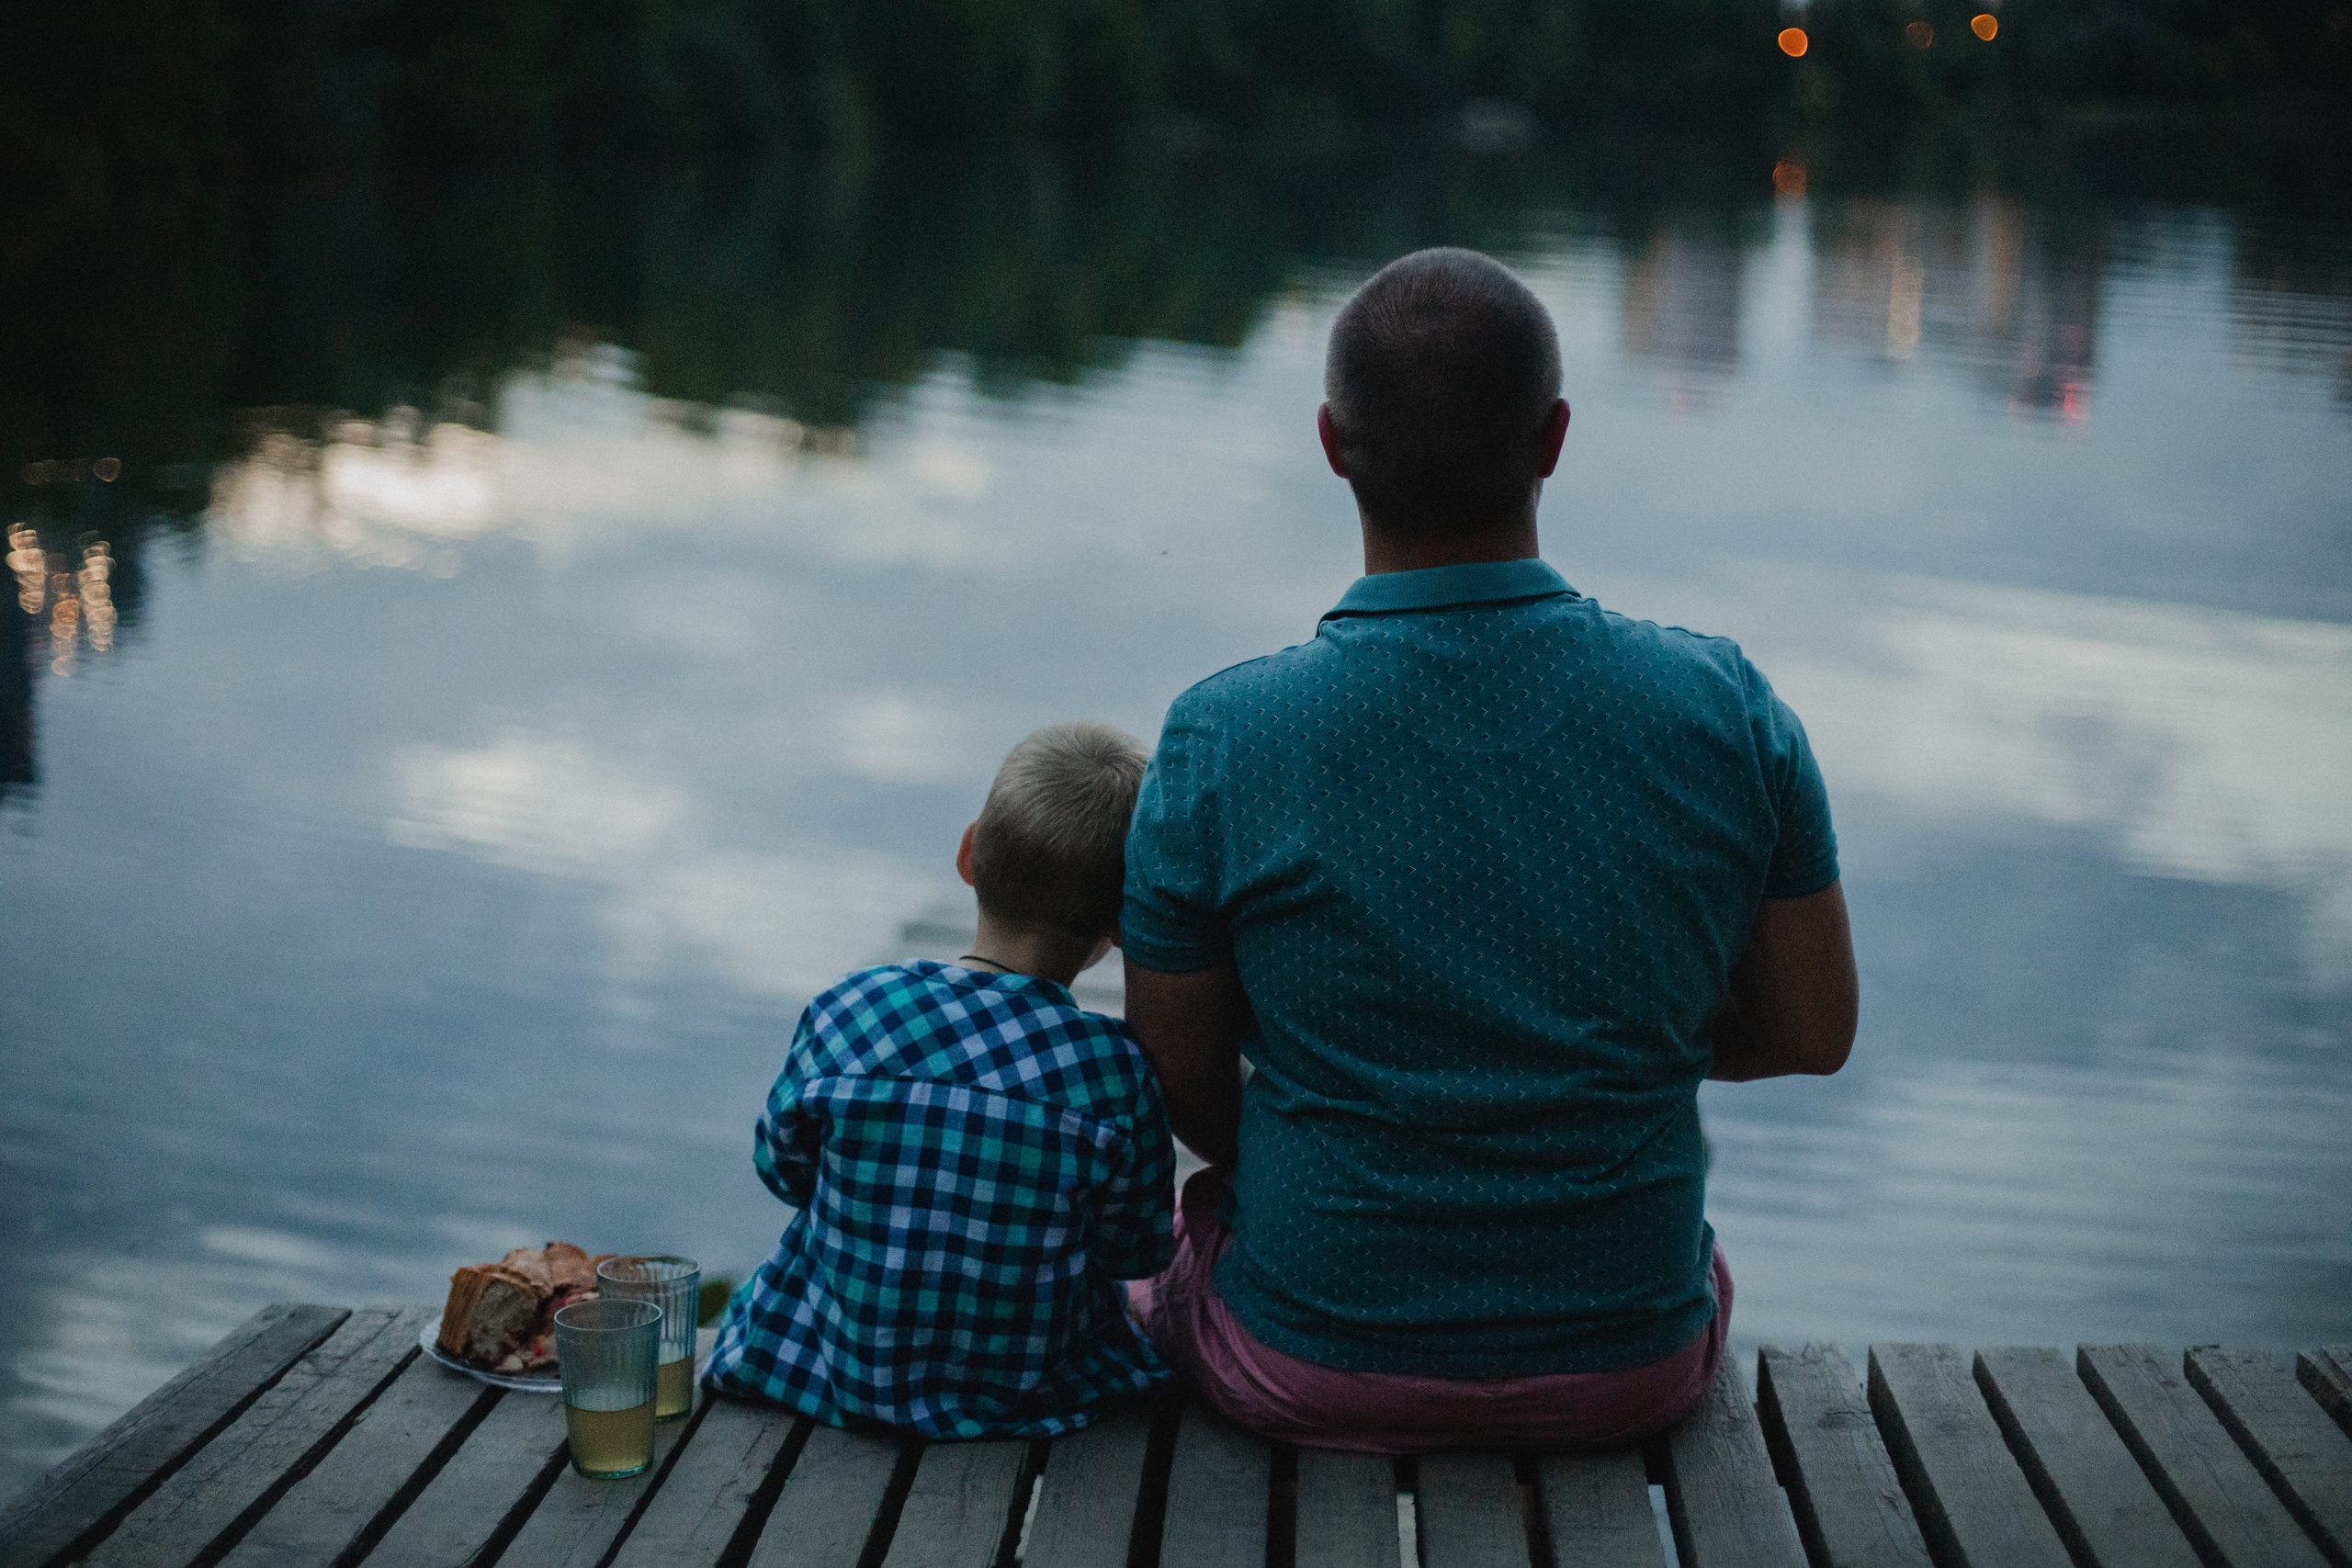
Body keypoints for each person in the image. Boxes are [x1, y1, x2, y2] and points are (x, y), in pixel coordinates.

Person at [1119, 248, 1860, 1453]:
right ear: (1555, 437)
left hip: (1312, 1352)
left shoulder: (1225, 735)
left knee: (1153, 1268)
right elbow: (1811, 1027)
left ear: (1330, 442)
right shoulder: (1725, 708)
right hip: (1628, 1360)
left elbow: (1180, 1072)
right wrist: (1594, 1049)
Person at [703, 720, 1179, 1438]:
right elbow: (1136, 1250)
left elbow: (782, 1169)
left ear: (968, 854)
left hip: (827, 1369)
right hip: (1019, 1394)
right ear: (1120, 923)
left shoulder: (850, 1012)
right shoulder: (1113, 1073)